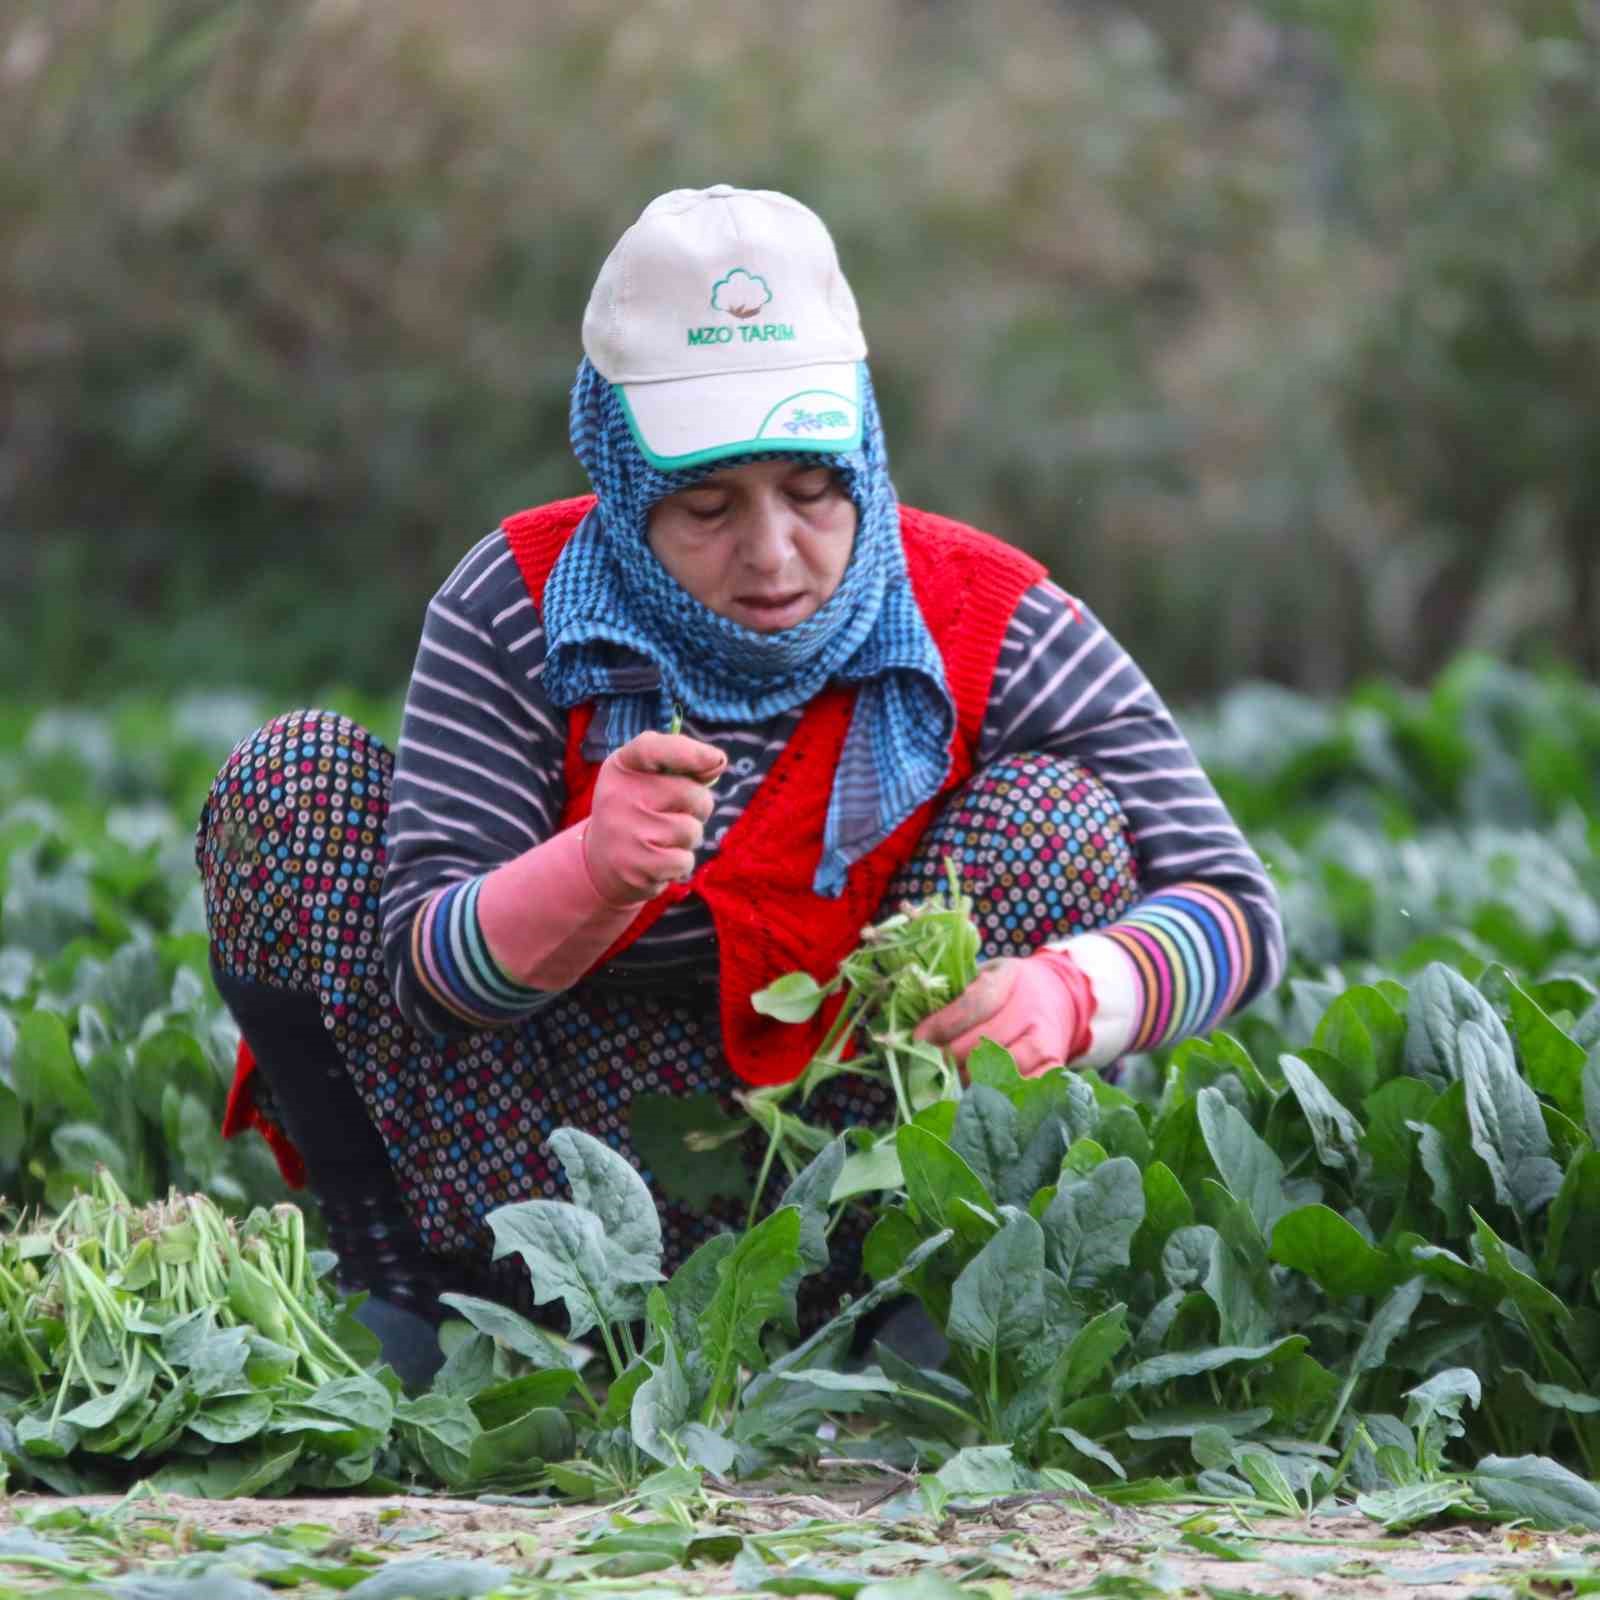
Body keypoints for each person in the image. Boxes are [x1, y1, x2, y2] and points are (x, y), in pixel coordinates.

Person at [196, 185, 1284, 1382]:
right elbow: (426, 982)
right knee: (288, 779)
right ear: (619, 473)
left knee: (1057, 818)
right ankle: (407, 1284)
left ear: (862, 448)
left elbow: (1234, 906)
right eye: (706, 506)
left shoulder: (992, 614)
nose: (771, 554)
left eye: (812, 490)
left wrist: (1079, 994)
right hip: (538, 1178)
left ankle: (935, 1291)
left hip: (849, 1164)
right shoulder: (513, 604)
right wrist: (588, 872)